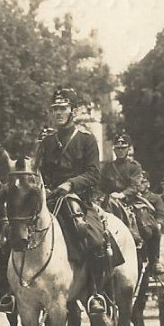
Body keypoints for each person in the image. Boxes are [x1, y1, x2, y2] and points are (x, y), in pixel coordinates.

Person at [32, 87, 112, 314]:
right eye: (55, 109)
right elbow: (37, 171)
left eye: (63, 108)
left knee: (93, 238)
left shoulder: (86, 140)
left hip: (78, 199)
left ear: (73, 111)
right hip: (49, 198)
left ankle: (95, 293)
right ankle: (15, 289)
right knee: (16, 228)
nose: (58, 113)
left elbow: (94, 173)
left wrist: (70, 185)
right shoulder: (47, 142)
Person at [99, 135, 163, 275]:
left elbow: (135, 186)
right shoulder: (107, 168)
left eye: (123, 148)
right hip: (109, 202)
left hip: (130, 201)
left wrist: (122, 194)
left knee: (150, 227)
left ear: (128, 149)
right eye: (117, 148)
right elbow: (101, 186)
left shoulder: (134, 166)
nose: (120, 151)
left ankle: (154, 261)